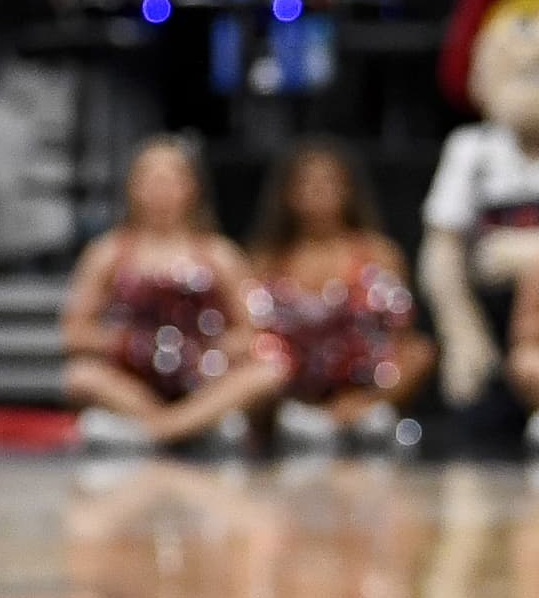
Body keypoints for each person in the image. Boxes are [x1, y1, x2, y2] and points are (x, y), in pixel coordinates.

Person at [62, 137, 291, 451]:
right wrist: (131, 343)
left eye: (171, 180)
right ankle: (179, 426)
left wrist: (208, 348)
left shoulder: (219, 253)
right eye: (151, 180)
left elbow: (255, 329)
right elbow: (74, 333)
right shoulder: (109, 252)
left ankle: (163, 430)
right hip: (134, 380)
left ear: (192, 188)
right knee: (81, 377)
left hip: (204, 379)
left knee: (268, 373)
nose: (161, 191)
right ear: (133, 187)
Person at [247, 140, 426, 447]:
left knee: (419, 354)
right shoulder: (266, 258)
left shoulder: (379, 253)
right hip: (291, 388)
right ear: (287, 193)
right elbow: (252, 331)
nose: (318, 191)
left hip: (365, 384)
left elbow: (401, 335)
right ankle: (295, 422)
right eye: (307, 183)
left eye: (329, 182)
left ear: (348, 190)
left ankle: (365, 414)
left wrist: (372, 394)